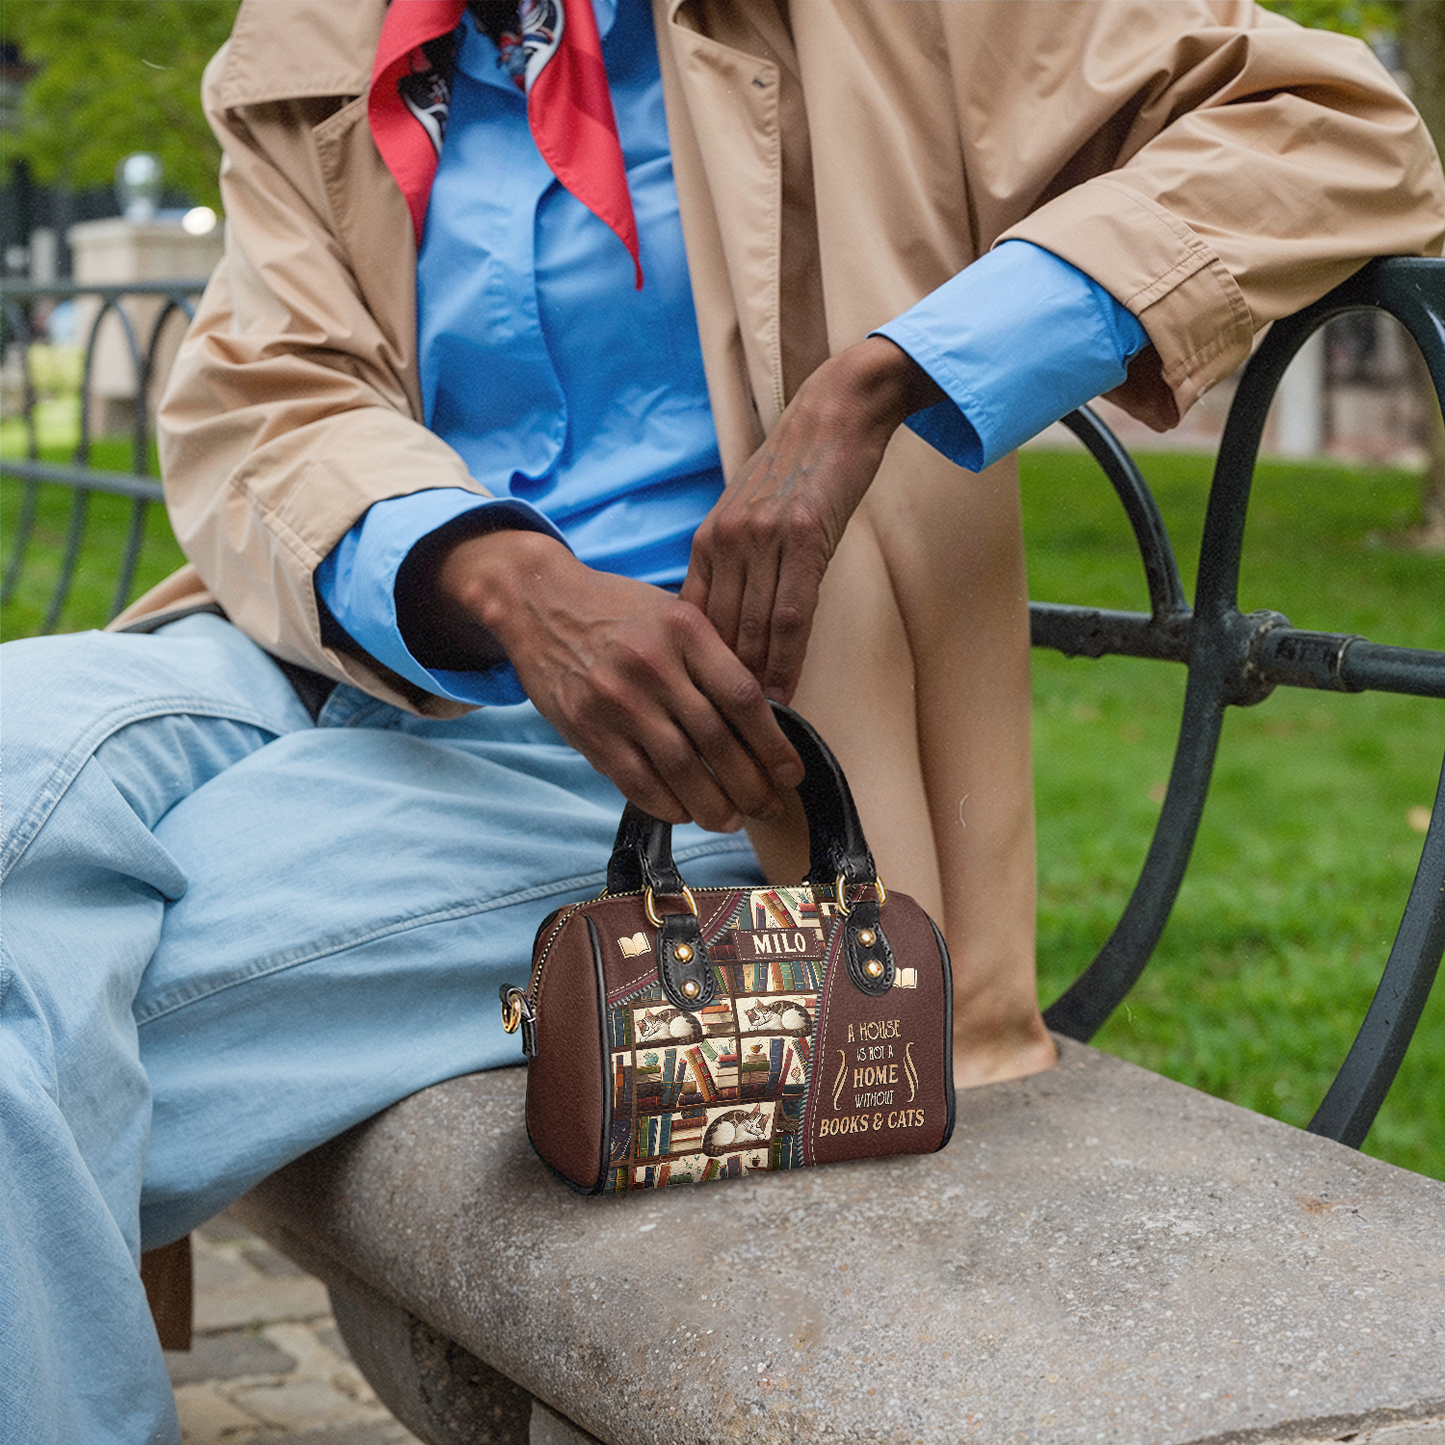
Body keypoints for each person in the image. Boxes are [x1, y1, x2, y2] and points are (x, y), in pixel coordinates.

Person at [2, 2, 1440, 1440]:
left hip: (712, 762)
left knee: (29, 1006)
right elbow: (274, 392)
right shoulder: (322, 32)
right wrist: (498, 578)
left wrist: (882, 381)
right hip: (341, 625)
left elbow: (1333, 131)